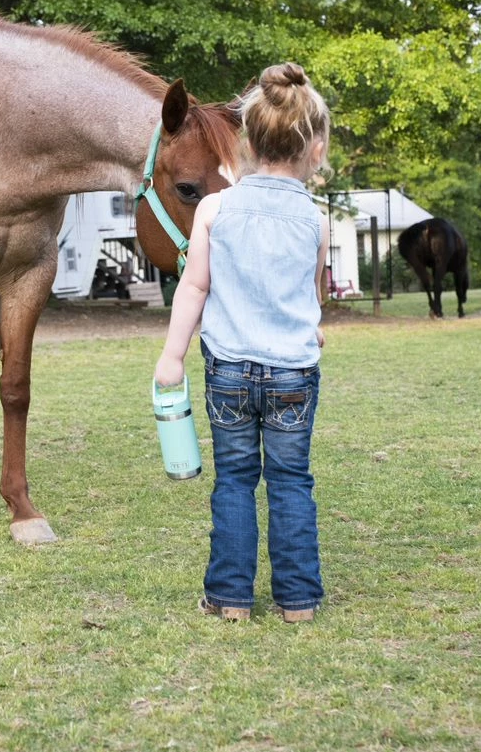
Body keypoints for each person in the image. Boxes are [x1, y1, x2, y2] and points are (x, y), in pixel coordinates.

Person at [154, 62, 330, 624]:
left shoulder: (214, 208)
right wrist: (310, 325)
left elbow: (195, 287)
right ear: (316, 150)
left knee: (234, 481)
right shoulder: (316, 219)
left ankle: (230, 598)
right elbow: (309, 290)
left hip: (228, 371)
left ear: (246, 144)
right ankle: (298, 601)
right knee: (291, 482)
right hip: (293, 374)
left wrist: (172, 355)